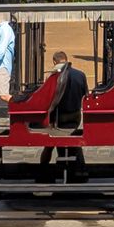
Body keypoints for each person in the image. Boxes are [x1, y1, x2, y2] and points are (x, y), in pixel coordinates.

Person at [39, 49, 90, 178]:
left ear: (55, 62)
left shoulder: (54, 77)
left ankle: (44, 169)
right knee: (73, 138)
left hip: (59, 117)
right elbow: (86, 95)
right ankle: (79, 167)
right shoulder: (80, 74)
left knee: (50, 143)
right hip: (75, 115)